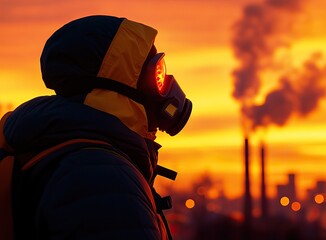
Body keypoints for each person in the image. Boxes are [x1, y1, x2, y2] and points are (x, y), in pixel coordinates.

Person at [2, 15, 192, 239]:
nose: (166, 83)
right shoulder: (103, 176)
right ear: (121, 85)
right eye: (157, 75)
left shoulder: (64, 149)